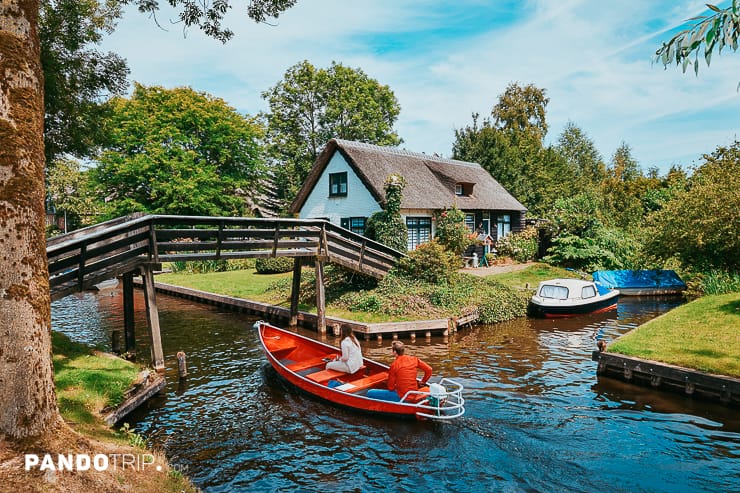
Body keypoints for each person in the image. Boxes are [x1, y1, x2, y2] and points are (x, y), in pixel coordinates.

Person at [367, 341, 432, 402]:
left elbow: (390, 388)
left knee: (370, 392)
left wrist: (396, 385)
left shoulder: (394, 365)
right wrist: (423, 381)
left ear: (394, 352)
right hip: (414, 393)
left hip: (403, 396)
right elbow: (429, 370)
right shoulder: (414, 359)